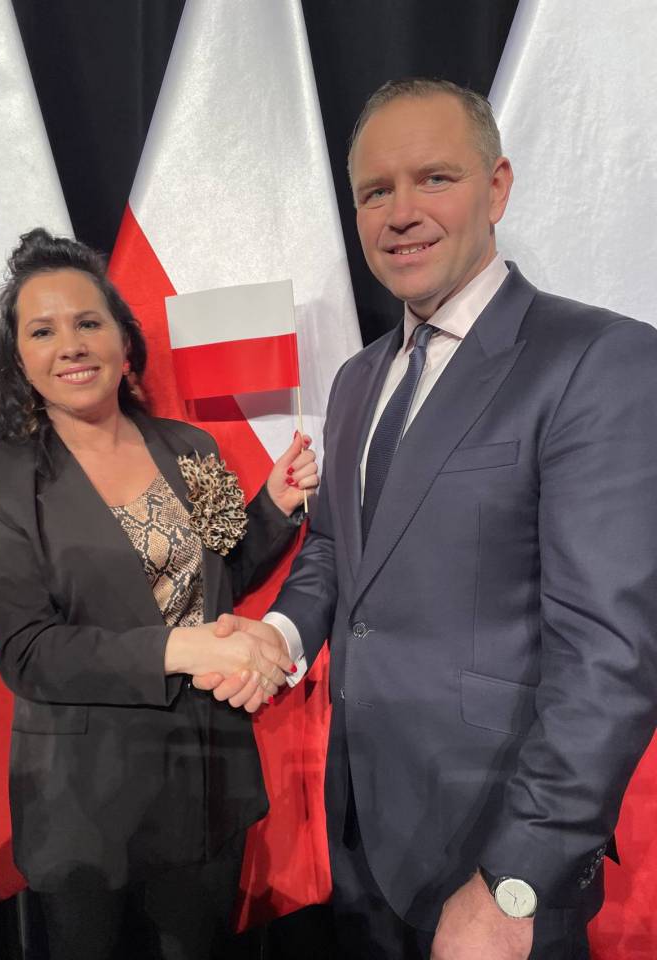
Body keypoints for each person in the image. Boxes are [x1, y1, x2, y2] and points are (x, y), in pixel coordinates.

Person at [196, 78, 657, 959]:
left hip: (500, 853)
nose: (401, 212)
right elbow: (336, 546)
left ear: (497, 188)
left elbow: (611, 657)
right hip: (363, 825)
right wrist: (282, 635)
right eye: (376, 191)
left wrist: (516, 881)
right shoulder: (357, 379)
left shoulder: (600, 360)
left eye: (434, 178)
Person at [0, 227, 317, 960]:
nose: (71, 345)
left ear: (124, 342)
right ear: (19, 359)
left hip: (207, 778)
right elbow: (30, 653)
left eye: (89, 322)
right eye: (43, 330)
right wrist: (181, 650)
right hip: (88, 806)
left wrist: (276, 505)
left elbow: (227, 572)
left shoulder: (192, 448)